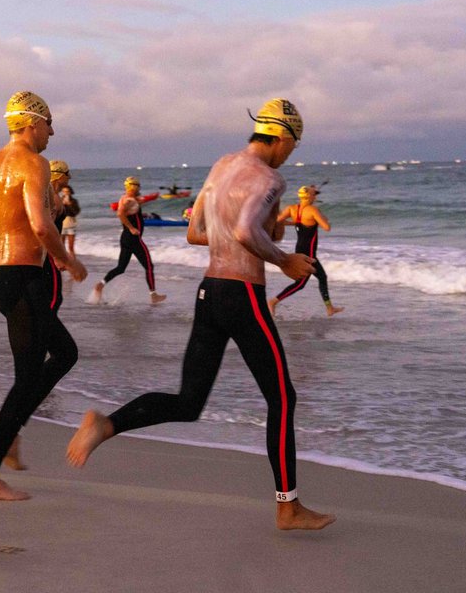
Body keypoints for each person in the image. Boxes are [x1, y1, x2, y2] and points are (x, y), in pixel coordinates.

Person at [66, 98, 335, 531]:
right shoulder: (269, 177)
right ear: (282, 137)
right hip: (243, 294)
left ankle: (107, 423)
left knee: (188, 402)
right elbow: (246, 231)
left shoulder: (222, 166)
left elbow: (196, 232)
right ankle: (288, 507)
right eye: (293, 145)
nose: (290, 154)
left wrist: (264, 230)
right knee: (282, 398)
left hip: (209, 293)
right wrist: (284, 260)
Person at [0, 91, 87, 501]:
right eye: (50, 123)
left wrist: (3, 233)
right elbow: (41, 224)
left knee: (47, 362)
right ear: (33, 123)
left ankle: (12, 433)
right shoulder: (35, 162)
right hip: (28, 279)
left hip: (0, 277)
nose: (52, 131)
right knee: (49, 363)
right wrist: (67, 260)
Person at [269, 185, 343, 317]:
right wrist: (324, 219)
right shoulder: (313, 210)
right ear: (309, 196)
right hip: (309, 254)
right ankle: (273, 301)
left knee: (321, 277)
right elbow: (326, 227)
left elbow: (278, 221)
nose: (315, 197)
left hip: (299, 250)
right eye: (314, 194)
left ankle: (330, 308)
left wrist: (295, 223)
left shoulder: (292, 209)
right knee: (301, 283)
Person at [92, 176, 166, 305]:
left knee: (121, 268)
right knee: (149, 266)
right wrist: (131, 228)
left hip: (126, 239)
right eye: (138, 186)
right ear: (133, 187)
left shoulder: (127, 198)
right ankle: (153, 295)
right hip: (133, 239)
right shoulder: (129, 200)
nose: (139, 188)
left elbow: (137, 202)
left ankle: (101, 284)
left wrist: (153, 197)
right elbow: (120, 213)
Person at [59, 182, 79, 258]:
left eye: (67, 191)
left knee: (71, 247)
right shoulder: (59, 200)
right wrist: (62, 205)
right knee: (62, 246)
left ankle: (73, 262)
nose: (66, 193)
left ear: (70, 192)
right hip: (62, 225)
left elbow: (76, 212)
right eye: (64, 192)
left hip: (71, 224)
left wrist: (69, 204)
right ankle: (64, 263)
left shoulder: (74, 201)